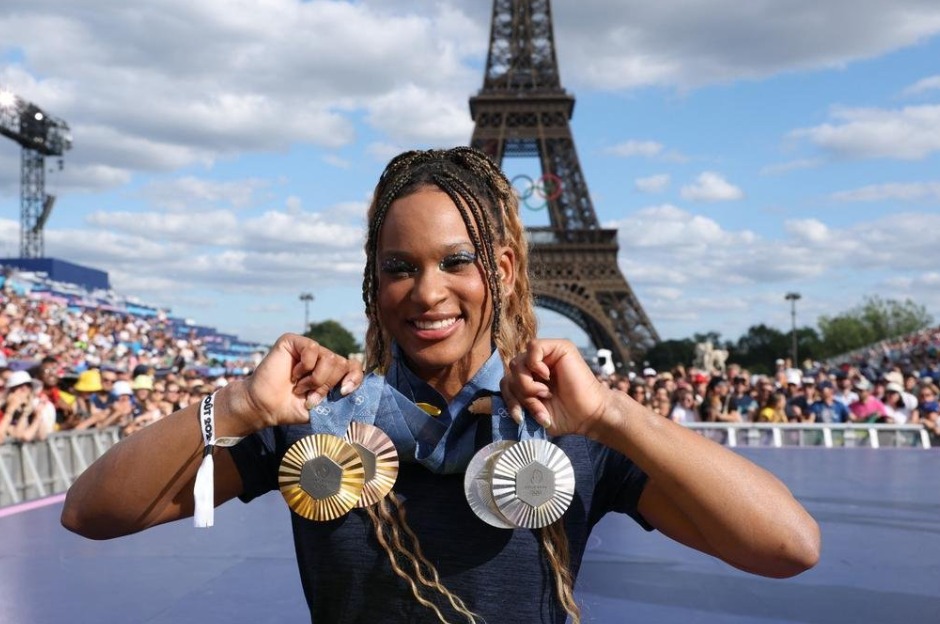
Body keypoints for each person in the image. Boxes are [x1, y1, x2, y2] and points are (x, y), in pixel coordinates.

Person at [61, 147, 819, 624]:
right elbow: (90, 514)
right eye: (400, 267)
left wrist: (615, 415)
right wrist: (240, 405)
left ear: (506, 270)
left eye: (457, 261)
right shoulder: (312, 418)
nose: (428, 293)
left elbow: (789, 547)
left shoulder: (575, 430)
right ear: (373, 281)